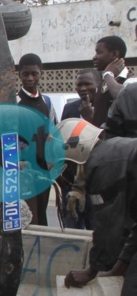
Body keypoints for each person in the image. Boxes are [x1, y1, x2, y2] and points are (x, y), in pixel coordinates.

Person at [58, 117, 137, 296]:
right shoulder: (120, 148)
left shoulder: (101, 164)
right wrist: (124, 261)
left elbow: (109, 227)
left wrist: (92, 270)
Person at [16, 53, 57, 226]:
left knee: (42, 213)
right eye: (26, 74)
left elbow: (54, 133)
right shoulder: (14, 102)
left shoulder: (47, 102)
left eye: (34, 73)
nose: (30, 78)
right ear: (19, 74)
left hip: (44, 170)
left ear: (41, 73)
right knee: (29, 216)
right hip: (24, 170)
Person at [58, 69, 100, 229]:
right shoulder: (70, 108)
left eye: (87, 84)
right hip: (72, 180)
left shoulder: (106, 107)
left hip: (96, 180)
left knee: (95, 227)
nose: (82, 88)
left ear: (98, 85)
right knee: (72, 226)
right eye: (79, 84)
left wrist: (91, 117)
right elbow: (62, 139)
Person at [90, 35, 135, 126]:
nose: (94, 57)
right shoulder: (102, 82)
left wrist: (108, 74)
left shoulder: (131, 82)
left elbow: (122, 97)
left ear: (114, 54)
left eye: (99, 52)